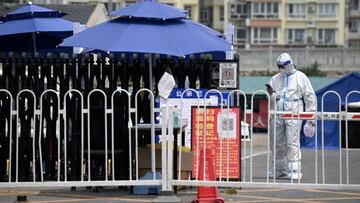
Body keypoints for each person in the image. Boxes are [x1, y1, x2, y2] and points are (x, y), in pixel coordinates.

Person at [266, 53, 316, 180]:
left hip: (294, 110)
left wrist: (310, 116)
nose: (280, 68)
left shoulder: (300, 77)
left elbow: (310, 97)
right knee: (276, 141)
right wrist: (272, 95)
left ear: (289, 64)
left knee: (292, 140)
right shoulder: (275, 78)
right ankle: (278, 168)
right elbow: (270, 99)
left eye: (281, 66)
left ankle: (294, 168)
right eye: (278, 66)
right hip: (278, 113)